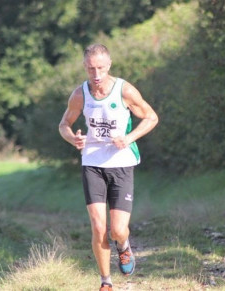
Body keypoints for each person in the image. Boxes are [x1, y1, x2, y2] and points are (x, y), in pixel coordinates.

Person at [58, 43, 158, 291]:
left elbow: (151, 117)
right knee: (99, 226)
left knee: (118, 230)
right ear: (85, 67)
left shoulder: (124, 90)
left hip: (121, 164)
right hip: (92, 162)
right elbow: (64, 125)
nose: (96, 74)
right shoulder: (80, 94)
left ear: (109, 65)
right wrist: (74, 138)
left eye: (101, 67)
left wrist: (129, 137)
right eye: (91, 68)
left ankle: (123, 247)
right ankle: (106, 281)